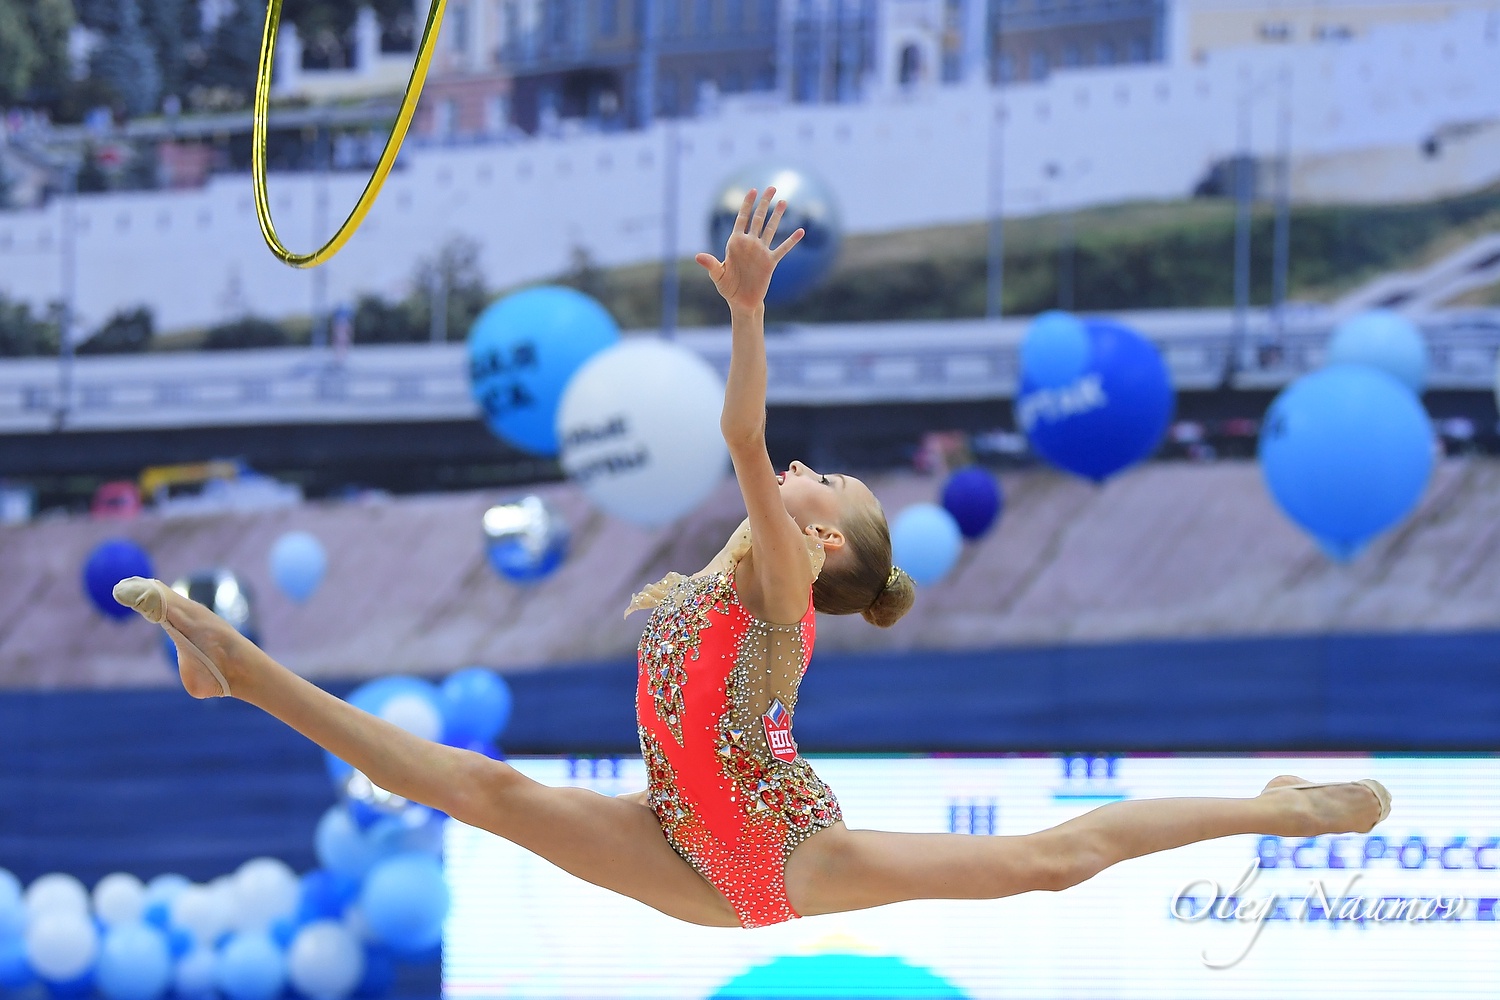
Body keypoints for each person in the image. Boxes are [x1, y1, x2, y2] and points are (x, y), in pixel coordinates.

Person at [113, 187, 1391, 932]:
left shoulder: (781, 588)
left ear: (822, 535)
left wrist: (746, 315)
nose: (797, 472)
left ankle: (1280, 806)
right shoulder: (711, 584)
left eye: (818, 482)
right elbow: (744, 460)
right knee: (472, 785)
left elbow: (739, 431)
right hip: (676, 842)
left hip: (782, 857)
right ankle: (234, 666)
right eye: (809, 469)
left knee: (1048, 861)